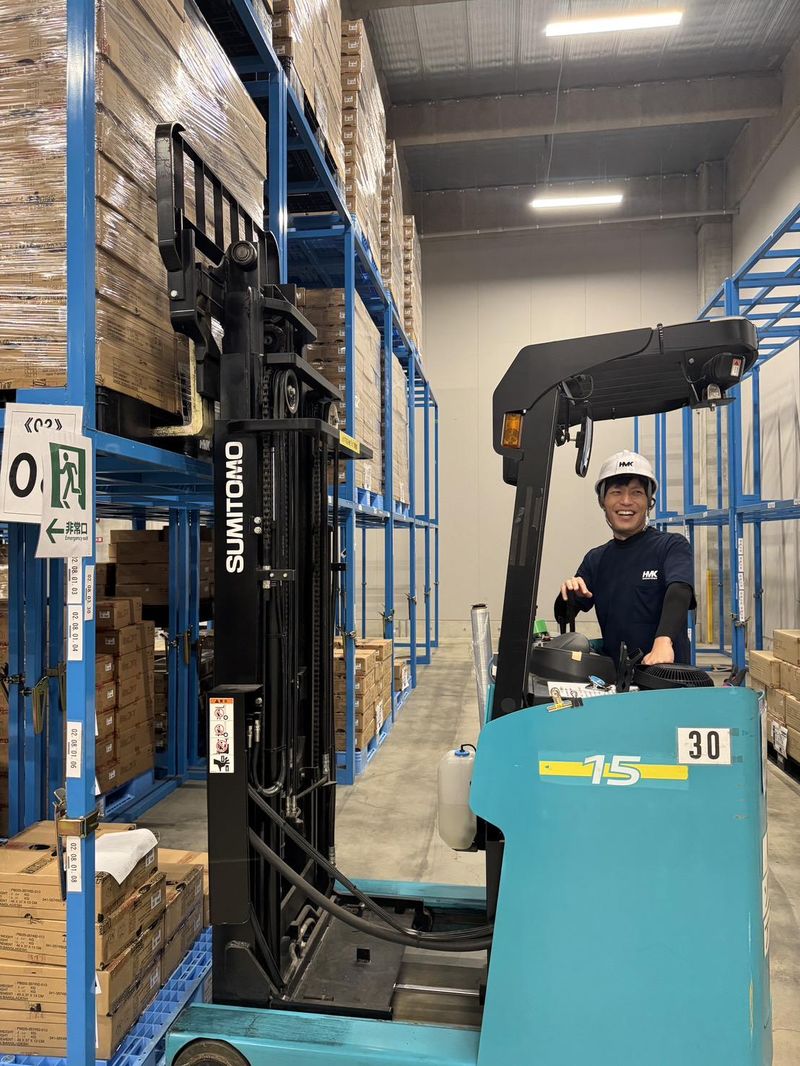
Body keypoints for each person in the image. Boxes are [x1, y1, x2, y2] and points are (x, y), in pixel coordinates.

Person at [556, 450, 696, 666]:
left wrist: (663, 641)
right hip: (616, 681)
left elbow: (679, 590)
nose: (626, 501)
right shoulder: (596, 560)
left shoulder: (671, 546)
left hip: (665, 676)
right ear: (603, 501)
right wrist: (568, 596)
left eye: (636, 493)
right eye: (616, 492)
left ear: (649, 501)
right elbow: (564, 616)